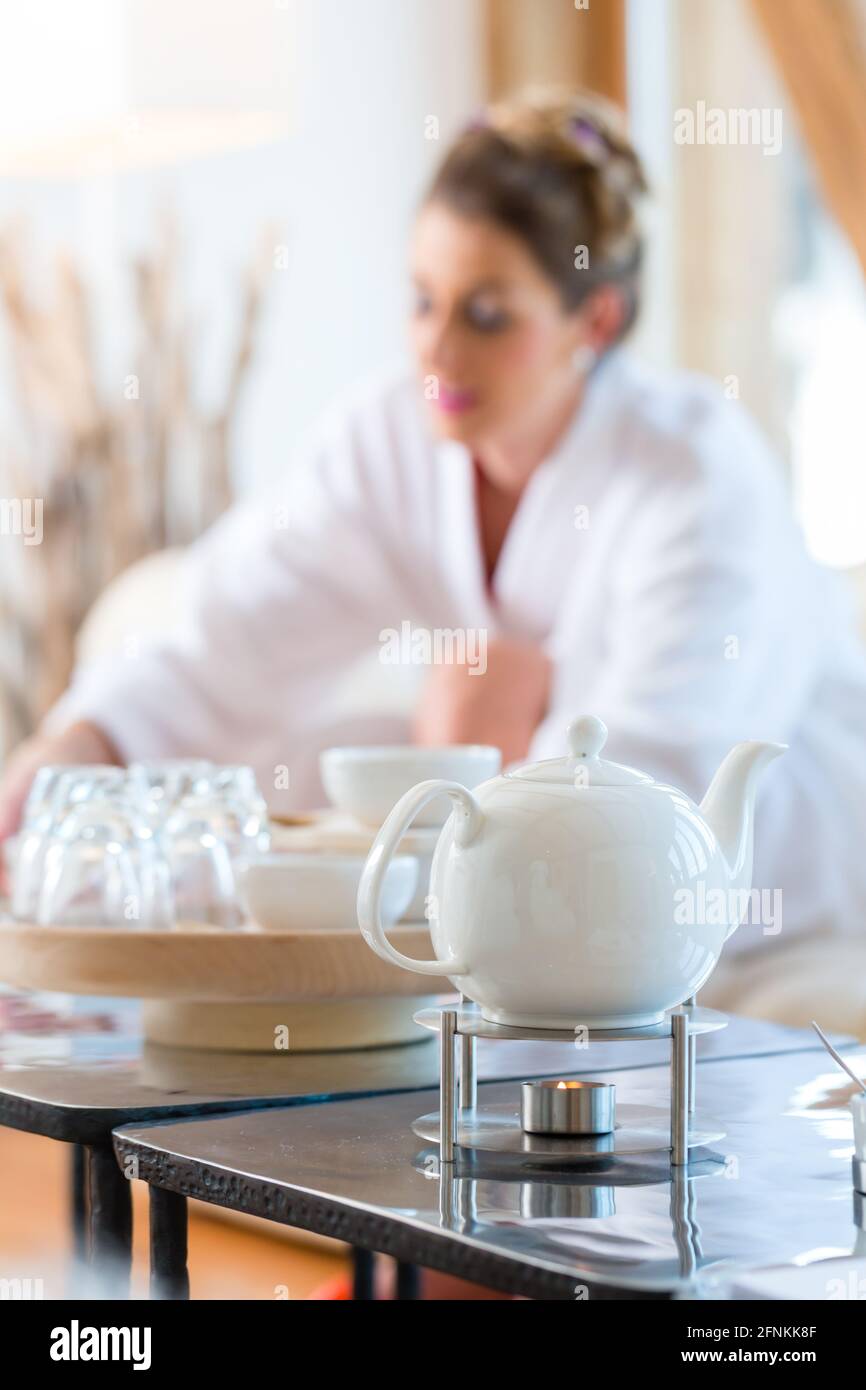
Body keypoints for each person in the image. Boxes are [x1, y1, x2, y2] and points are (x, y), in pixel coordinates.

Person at [3, 85, 866, 970]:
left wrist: (489, 728)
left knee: (439, 737)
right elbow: (228, 633)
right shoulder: (388, 437)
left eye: (487, 315)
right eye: (423, 300)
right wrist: (80, 745)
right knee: (320, 765)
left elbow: (664, 778)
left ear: (596, 319)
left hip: (753, 891)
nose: (438, 350)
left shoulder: (694, 472)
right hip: (508, 872)